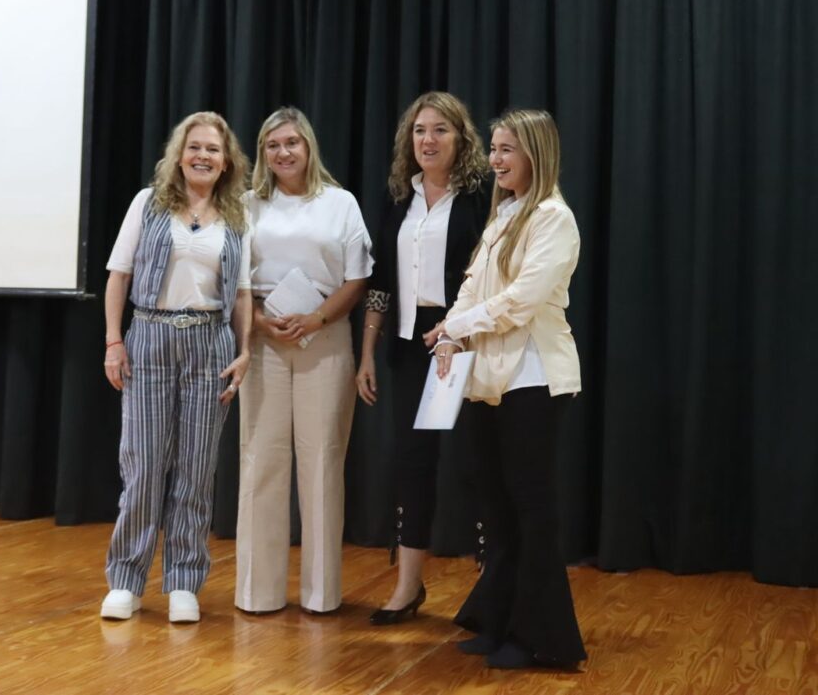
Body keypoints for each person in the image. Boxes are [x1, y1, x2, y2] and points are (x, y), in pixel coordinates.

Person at [430, 108, 587, 669]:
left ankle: (540, 637)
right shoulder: (506, 214)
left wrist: (456, 327)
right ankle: (500, 620)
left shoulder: (553, 218)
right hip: (488, 379)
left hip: (535, 380)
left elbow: (522, 300)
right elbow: (472, 289)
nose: (495, 159)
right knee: (495, 506)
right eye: (493, 149)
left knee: (531, 509)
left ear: (534, 154)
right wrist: (449, 335)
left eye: (506, 150)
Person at [100, 111, 253, 624]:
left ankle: (184, 580)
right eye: (195, 148)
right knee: (142, 464)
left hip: (209, 342)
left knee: (195, 466)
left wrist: (245, 349)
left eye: (212, 149)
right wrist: (113, 341)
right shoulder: (148, 204)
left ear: (226, 160)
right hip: (150, 335)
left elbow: (244, 294)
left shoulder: (237, 216)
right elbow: (118, 276)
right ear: (179, 154)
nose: (203, 156)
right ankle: (126, 578)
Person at [356, 91, 492, 625]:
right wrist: (367, 349)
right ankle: (408, 587)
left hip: (466, 343)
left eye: (440, 130)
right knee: (412, 466)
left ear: (461, 138)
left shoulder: (483, 198)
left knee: (479, 465)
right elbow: (381, 284)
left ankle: (491, 589)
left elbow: (489, 276)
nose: (428, 140)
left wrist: (459, 331)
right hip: (411, 348)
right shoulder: (400, 201)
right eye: (419, 131)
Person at [234, 106, 372, 614]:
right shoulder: (247, 204)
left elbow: (358, 278)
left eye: (292, 142)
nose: (283, 152)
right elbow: (234, 278)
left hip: (325, 336)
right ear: (263, 153)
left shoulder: (340, 203)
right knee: (261, 460)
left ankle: (321, 594)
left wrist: (316, 318)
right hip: (265, 336)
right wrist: (259, 320)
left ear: (308, 146)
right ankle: (257, 591)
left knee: (321, 461)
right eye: (272, 145)